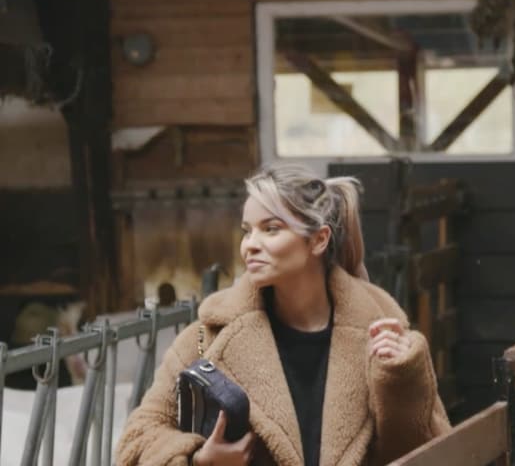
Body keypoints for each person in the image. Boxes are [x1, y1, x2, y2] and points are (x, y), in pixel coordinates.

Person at [116, 163, 450, 466]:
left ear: (318, 240)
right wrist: (198, 459)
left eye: (271, 229)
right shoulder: (209, 337)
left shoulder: (385, 338)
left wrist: (401, 384)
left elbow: (431, 455)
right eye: (248, 230)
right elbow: (136, 442)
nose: (250, 244)